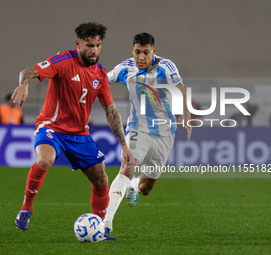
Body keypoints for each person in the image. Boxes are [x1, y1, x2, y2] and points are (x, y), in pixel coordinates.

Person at [11, 22, 129, 240]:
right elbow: (29, 71)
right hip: (52, 126)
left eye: (98, 45)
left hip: (79, 134)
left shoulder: (100, 74)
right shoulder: (63, 61)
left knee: (101, 178)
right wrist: (24, 83)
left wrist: (123, 145)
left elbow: (111, 110)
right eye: (89, 45)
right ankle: (26, 208)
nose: (94, 50)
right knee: (45, 160)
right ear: (78, 44)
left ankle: (100, 228)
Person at [103, 33, 192, 237]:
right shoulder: (124, 68)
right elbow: (99, 81)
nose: (141, 57)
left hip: (164, 133)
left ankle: (134, 185)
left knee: (145, 188)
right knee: (127, 167)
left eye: (145, 52)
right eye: (137, 52)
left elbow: (181, 90)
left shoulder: (166, 67)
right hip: (138, 128)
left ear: (154, 51)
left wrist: (186, 117)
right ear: (132, 51)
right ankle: (106, 223)